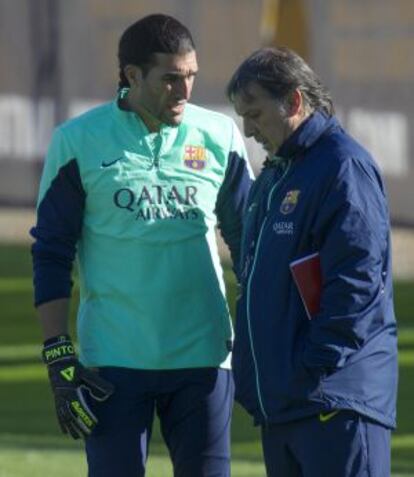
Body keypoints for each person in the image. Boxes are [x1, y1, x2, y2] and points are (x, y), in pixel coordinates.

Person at [31, 14, 253, 477]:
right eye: (171, 79)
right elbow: (52, 252)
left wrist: (258, 336)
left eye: (191, 75)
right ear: (132, 76)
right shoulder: (77, 141)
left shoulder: (220, 135)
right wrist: (57, 352)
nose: (185, 91)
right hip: (112, 363)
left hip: (205, 358)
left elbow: (249, 243)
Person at [227, 46, 398, 477]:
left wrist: (311, 366)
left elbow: (357, 281)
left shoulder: (343, 167)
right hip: (288, 403)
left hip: (333, 400)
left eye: (256, 114)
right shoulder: (276, 173)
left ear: (295, 102)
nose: (248, 130)